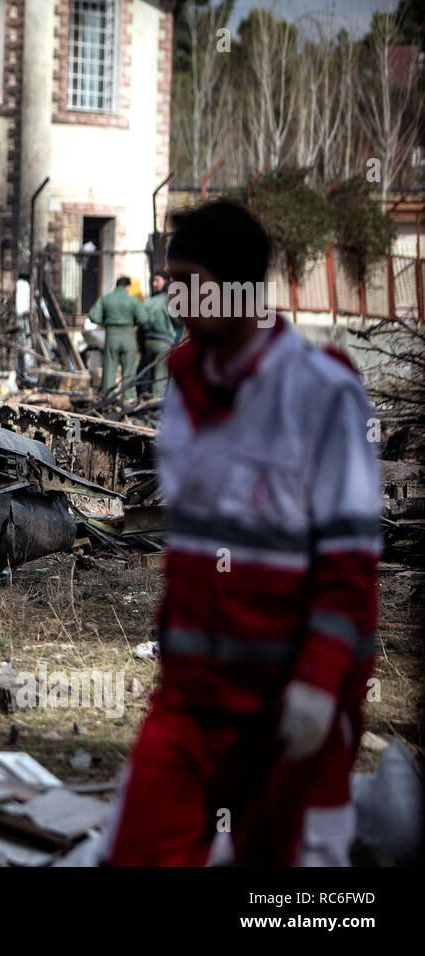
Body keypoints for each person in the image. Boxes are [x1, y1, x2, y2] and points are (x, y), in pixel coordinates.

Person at [101, 201, 381, 866]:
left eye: (188, 279)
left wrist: (319, 687)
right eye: (168, 278)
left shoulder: (322, 396)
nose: (172, 295)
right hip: (190, 708)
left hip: (290, 716)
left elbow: (349, 571)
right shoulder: (185, 396)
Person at [88, 276, 142, 403]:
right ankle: (128, 398)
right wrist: (131, 323)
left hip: (111, 336)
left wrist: (106, 322)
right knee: (128, 370)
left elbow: (93, 315)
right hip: (128, 336)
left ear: (116, 285)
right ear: (128, 287)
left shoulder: (105, 299)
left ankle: (108, 398)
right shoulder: (133, 300)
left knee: (109, 369)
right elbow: (143, 318)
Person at [137, 270, 179, 399]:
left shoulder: (148, 302)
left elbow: (141, 323)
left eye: (157, 281)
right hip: (164, 342)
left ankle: (144, 395)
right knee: (160, 374)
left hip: (149, 341)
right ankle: (156, 399)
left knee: (149, 371)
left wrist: (141, 343)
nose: (154, 284)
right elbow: (177, 321)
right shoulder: (169, 303)